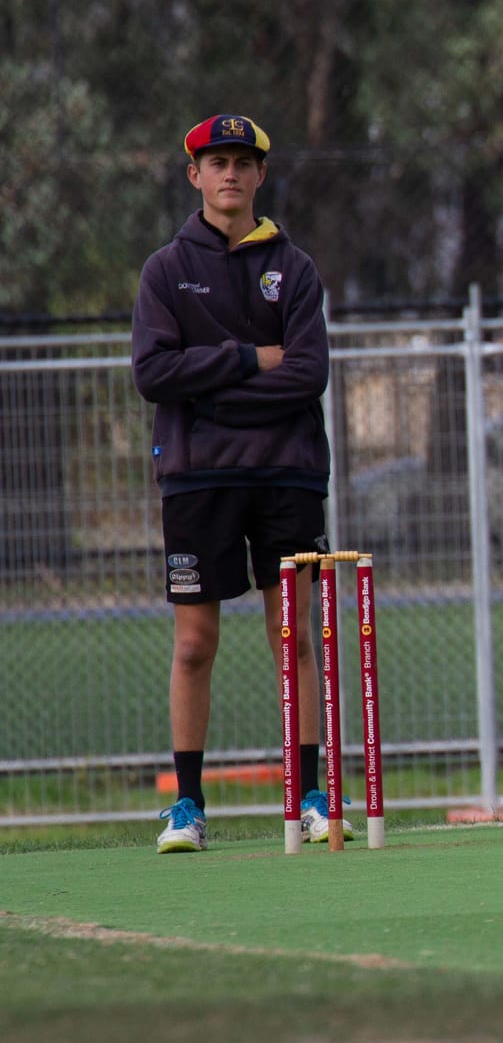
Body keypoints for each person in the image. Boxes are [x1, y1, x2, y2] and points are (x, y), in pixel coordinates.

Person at [132, 114, 345, 853]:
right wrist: (251, 360)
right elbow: (153, 374)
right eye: (215, 162)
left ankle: (312, 794)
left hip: (286, 471)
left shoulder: (294, 265)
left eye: (242, 162)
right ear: (194, 175)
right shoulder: (165, 269)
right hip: (198, 477)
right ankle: (186, 805)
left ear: (260, 175)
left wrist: (214, 386)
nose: (229, 174)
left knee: (296, 638)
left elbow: (308, 373)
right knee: (194, 642)